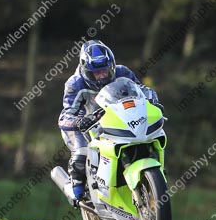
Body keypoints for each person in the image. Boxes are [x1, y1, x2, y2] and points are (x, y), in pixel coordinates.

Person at [58, 40, 159, 202]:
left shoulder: (123, 73)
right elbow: (65, 115)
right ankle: (76, 188)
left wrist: (152, 98)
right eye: (95, 73)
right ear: (85, 72)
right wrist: (78, 122)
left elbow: (142, 90)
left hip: (116, 120)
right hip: (86, 126)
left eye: (105, 70)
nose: (102, 75)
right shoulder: (75, 84)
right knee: (81, 154)